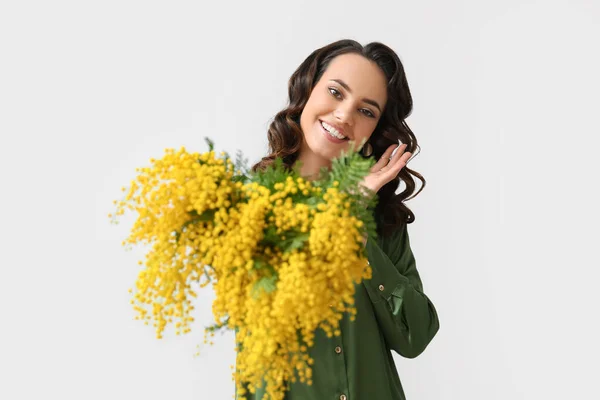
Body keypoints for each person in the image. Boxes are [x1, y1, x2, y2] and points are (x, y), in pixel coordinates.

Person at [238, 39, 440, 400]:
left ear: (373, 132)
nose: (345, 115)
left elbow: (416, 336)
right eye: (335, 92)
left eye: (367, 111)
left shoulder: (378, 219)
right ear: (306, 91)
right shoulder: (247, 207)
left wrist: (358, 234)